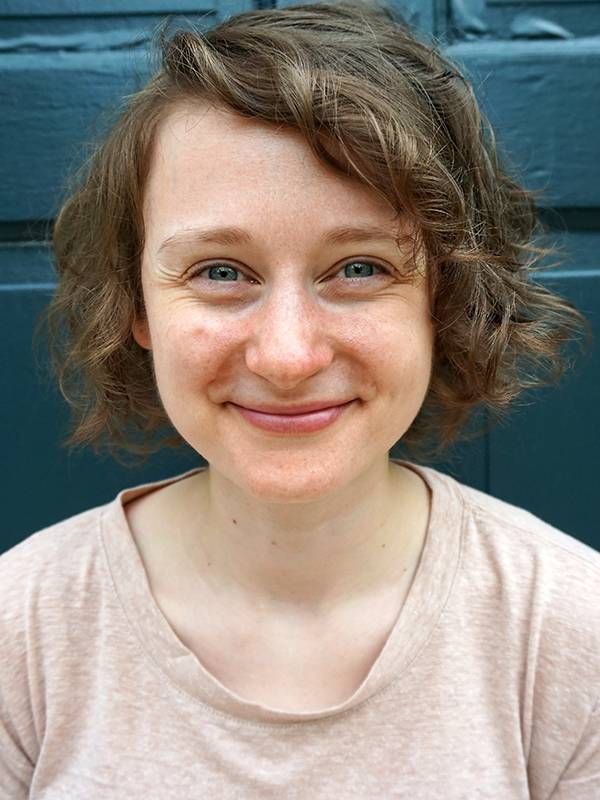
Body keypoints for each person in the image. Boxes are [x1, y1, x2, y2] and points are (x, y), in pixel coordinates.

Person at [1, 1, 598, 797]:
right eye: (220, 271)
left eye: (359, 268)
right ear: (137, 305)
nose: (286, 356)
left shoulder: (570, 632)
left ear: (444, 298)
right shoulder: (22, 633)